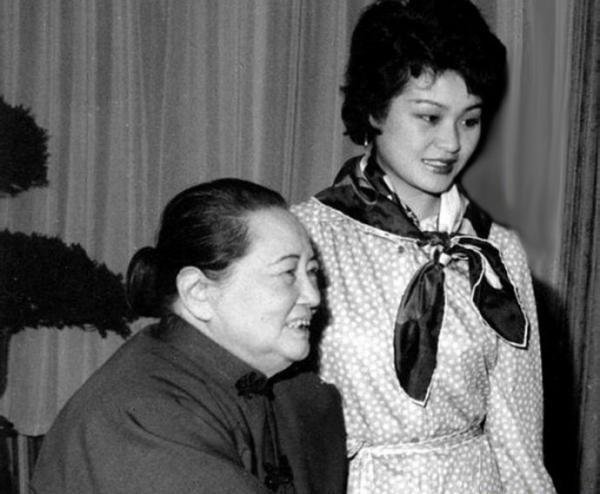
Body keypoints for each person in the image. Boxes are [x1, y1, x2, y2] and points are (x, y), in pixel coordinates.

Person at [292, 0, 556, 492]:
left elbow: (518, 441)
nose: (452, 143)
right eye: (429, 117)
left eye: (469, 120)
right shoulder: (305, 237)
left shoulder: (496, 252)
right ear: (374, 109)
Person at [31, 178, 347, 493]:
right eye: (287, 273)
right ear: (198, 292)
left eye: (311, 271)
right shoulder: (142, 414)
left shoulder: (298, 395)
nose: (313, 296)